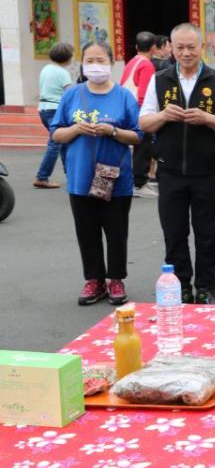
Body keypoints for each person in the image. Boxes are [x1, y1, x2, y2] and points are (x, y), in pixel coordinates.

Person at [140, 23, 215, 305]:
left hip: (207, 171)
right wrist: (165, 115)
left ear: (202, 47)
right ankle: (179, 286)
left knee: (207, 233)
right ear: (170, 47)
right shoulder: (160, 79)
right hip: (170, 171)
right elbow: (144, 122)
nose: (186, 52)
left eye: (191, 47)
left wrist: (206, 119)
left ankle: (206, 286)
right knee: (174, 232)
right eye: (179, 47)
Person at [49, 41, 143, 305]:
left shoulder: (123, 96)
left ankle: (115, 279)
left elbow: (137, 135)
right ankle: (94, 280)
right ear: (81, 63)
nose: (95, 66)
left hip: (115, 177)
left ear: (111, 63)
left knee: (115, 230)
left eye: (100, 60)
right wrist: (77, 129)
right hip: (80, 176)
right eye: (89, 60)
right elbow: (56, 132)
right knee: (86, 231)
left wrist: (111, 131)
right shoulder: (72, 95)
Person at [121, 31, 158, 198]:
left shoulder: (131, 62)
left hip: (127, 108)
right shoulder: (147, 65)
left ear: (136, 47)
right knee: (144, 146)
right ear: (154, 48)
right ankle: (139, 182)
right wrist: (146, 115)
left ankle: (136, 180)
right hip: (139, 111)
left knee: (137, 146)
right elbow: (144, 93)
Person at [34, 42, 74, 189]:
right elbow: (70, 94)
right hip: (56, 110)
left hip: (43, 109)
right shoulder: (63, 73)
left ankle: (70, 175)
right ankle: (42, 177)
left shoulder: (46, 69)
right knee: (56, 142)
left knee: (63, 142)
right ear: (67, 58)